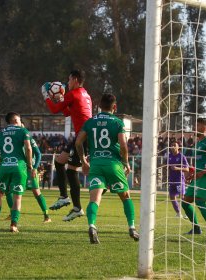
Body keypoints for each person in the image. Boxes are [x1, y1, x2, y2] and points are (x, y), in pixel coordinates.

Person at [75, 93, 139, 244]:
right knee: (126, 197)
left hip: (96, 164)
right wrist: (126, 163)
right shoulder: (117, 122)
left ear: (99, 106)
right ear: (114, 107)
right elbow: (123, 146)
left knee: (95, 199)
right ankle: (132, 228)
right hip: (113, 165)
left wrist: (84, 161)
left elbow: (78, 143)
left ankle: (91, 225)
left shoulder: (90, 122)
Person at [41, 69, 92, 221]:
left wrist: (46, 96)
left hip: (83, 136)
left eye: (69, 80)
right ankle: (65, 198)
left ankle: (75, 206)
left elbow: (55, 110)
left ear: (75, 80)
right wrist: (61, 99)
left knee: (71, 170)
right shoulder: (85, 94)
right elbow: (68, 112)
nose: (67, 83)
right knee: (60, 162)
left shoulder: (74, 93)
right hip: (83, 134)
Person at [0, 112, 33, 233]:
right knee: (17, 196)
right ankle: (13, 225)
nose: (20, 123)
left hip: (5, 167)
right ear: (14, 120)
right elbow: (28, 148)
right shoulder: (23, 131)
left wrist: (2, 160)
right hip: (19, 166)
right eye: (19, 121)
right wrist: (29, 165)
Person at [181, 118, 206, 236]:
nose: (194, 127)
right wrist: (192, 174)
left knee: (199, 201)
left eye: (197, 125)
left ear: (204, 127)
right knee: (185, 202)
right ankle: (196, 228)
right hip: (197, 177)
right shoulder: (197, 143)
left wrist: (202, 173)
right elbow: (198, 162)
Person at [5, 133, 51, 223]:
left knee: (36, 192)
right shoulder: (15, 139)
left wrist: (35, 167)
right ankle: (13, 213)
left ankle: (47, 216)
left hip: (29, 169)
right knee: (8, 190)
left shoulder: (29, 138)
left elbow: (38, 154)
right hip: (18, 169)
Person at [167, 140, 189, 217]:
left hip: (179, 180)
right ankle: (178, 212)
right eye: (171, 145)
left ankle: (187, 213)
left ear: (178, 147)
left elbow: (187, 169)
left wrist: (177, 168)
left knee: (182, 197)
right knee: (172, 196)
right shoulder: (169, 156)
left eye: (174, 145)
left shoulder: (182, 156)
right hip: (171, 180)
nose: (172, 146)